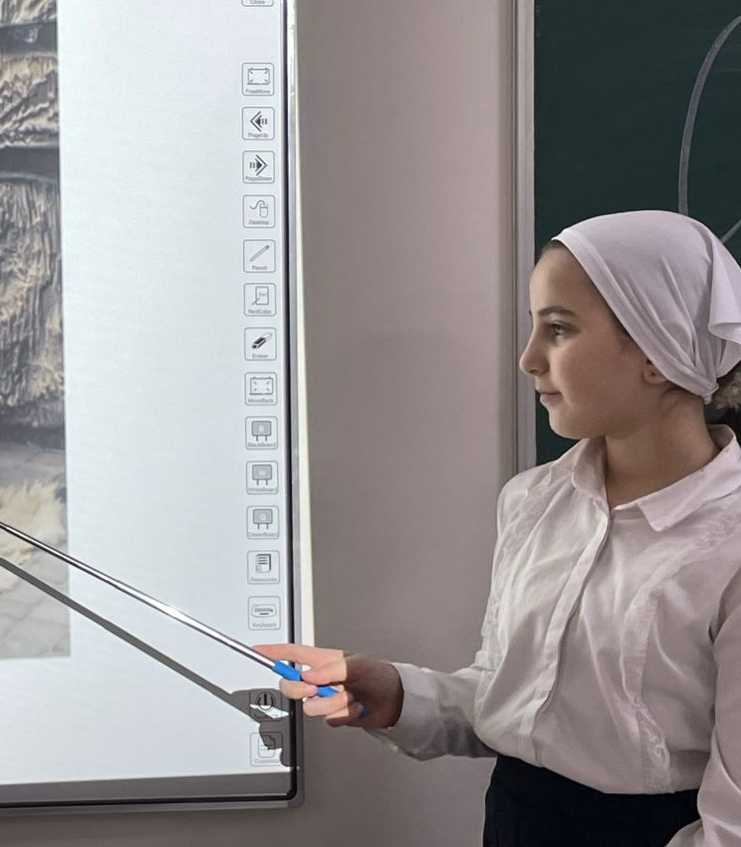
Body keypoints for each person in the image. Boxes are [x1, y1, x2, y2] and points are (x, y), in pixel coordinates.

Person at [261, 210, 741, 846]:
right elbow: (510, 698)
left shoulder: (729, 544)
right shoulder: (533, 501)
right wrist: (397, 692)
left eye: (559, 329)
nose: (528, 359)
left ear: (660, 348)